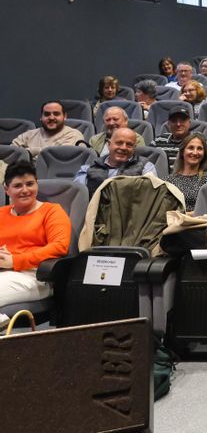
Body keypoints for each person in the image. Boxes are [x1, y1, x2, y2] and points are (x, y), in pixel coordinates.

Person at [0, 161, 72, 329]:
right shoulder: (2, 213)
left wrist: (15, 261)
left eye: (30, 184)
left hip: (34, 276)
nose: (25, 190)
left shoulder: (52, 211)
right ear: (6, 189)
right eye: (18, 185)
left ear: (37, 184)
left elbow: (59, 246)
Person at [75, 128, 157, 197]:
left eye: (129, 144)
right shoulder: (88, 169)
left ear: (134, 148)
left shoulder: (146, 168)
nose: (124, 147)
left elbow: (149, 198)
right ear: (109, 145)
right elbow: (79, 198)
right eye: (119, 143)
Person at [12, 101, 85, 157]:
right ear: (41, 117)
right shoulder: (28, 135)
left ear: (65, 116)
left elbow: (58, 157)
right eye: (47, 114)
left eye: (56, 114)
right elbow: (11, 153)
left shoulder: (74, 135)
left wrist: (30, 152)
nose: (51, 118)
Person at [166, 134, 207, 212]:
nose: (195, 152)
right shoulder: (168, 181)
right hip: (174, 222)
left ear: (204, 154)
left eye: (199, 149)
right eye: (191, 148)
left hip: (200, 222)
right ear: (182, 152)